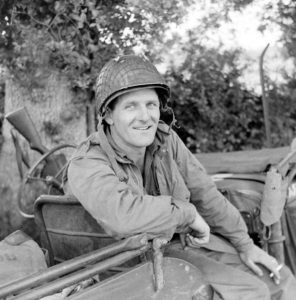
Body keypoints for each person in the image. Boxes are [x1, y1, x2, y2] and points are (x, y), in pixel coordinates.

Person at [66, 54, 296, 299]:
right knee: (251, 292)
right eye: (130, 106)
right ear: (109, 116)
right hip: (128, 262)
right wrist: (187, 213)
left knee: (281, 279)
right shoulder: (87, 161)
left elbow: (205, 193)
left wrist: (244, 244)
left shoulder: (165, 139)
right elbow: (124, 215)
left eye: (150, 105)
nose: (145, 116)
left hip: (176, 245)